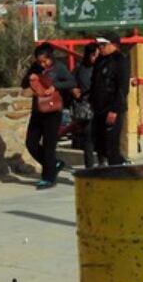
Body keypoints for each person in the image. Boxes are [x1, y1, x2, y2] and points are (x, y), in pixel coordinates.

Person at [23, 46, 63, 189]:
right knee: (31, 143)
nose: (43, 64)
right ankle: (54, 164)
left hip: (53, 111)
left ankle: (48, 178)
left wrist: (55, 86)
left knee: (48, 145)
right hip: (38, 110)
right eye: (40, 62)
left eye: (45, 61)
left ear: (50, 57)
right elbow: (23, 85)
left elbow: (71, 82)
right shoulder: (35, 68)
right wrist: (30, 78)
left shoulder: (59, 68)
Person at [87, 32, 130, 167]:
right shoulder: (100, 60)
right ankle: (104, 170)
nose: (100, 47)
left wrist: (114, 110)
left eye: (103, 44)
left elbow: (122, 88)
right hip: (99, 108)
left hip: (112, 109)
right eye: (99, 45)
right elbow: (95, 83)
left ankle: (117, 171)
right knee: (100, 144)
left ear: (114, 45)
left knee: (112, 145)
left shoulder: (120, 60)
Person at [68, 43, 97, 146]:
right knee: (88, 138)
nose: (96, 58)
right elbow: (70, 81)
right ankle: (89, 161)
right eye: (93, 55)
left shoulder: (104, 67)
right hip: (85, 107)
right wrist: (73, 90)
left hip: (100, 106)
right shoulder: (80, 67)